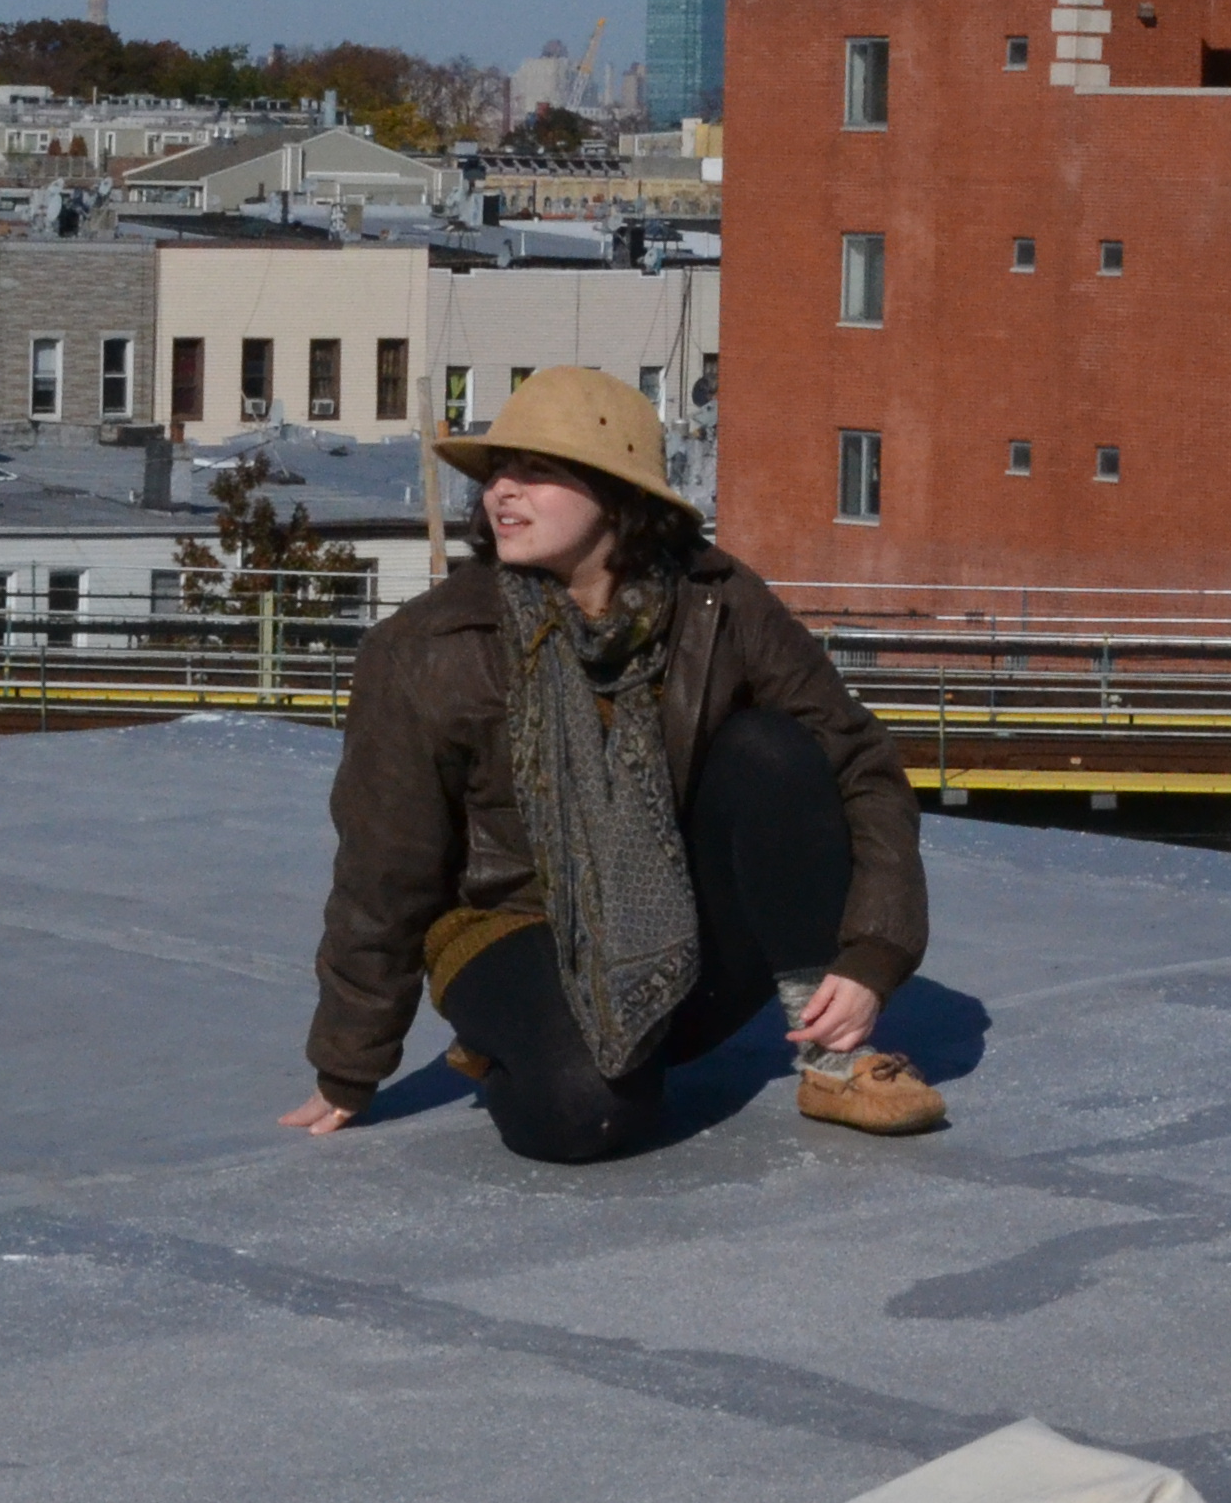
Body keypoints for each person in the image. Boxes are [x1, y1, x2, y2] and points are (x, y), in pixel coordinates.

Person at [283, 366, 945, 1161]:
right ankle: (517, 1045)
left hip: (672, 915)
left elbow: (859, 763)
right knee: (590, 1115)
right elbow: (383, 873)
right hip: (508, 925)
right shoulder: (426, 649)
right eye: (498, 471)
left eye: (538, 471)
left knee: (773, 750)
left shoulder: (714, 600)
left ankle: (831, 1058)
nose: (502, 492)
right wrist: (348, 1066)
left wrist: (873, 958)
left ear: (616, 496)